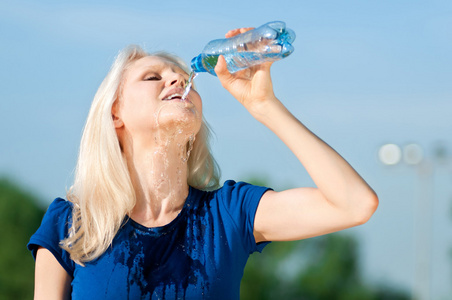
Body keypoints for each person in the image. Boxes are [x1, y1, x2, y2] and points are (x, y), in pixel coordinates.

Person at [28, 27, 378, 299]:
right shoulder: (71, 223)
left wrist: (263, 105)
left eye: (182, 77)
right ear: (115, 113)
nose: (179, 80)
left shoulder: (229, 213)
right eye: (153, 77)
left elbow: (354, 204)